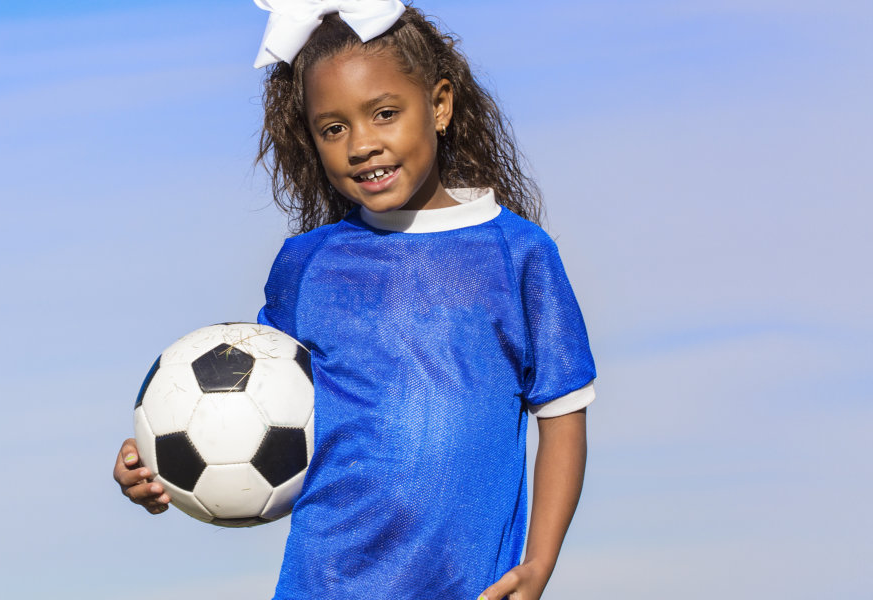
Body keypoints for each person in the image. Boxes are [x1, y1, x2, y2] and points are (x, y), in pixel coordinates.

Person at [115, 2, 594, 598]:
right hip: (324, 582)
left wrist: (539, 562)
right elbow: (250, 406)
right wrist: (155, 466)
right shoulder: (308, 264)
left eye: (385, 113)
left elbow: (562, 415)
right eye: (333, 128)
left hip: (468, 586)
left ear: (440, 106)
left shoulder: (518, 253)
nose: (361, 144)